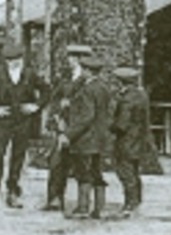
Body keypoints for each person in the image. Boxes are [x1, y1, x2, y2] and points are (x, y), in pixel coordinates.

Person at [0, 40, 43, 209]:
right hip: (2, 121)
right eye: (9, 60)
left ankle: (13, 193)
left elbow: (46, 90)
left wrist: (36, 106)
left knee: (18, 158)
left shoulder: (30, 74)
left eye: (16, 59)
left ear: (22, 59)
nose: (12, 63)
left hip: (23, 121)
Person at [42, 43, 92, 211]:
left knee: (81, 165)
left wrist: (69, 105)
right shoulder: (65, 78)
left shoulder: (88, 80)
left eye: (72, 58)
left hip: (81, 130)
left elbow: (89, 108)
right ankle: (55, 199)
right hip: (62, 127)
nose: (69, 60)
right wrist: (55, 115)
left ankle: (83, 204)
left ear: (79, 59)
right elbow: (54, 98)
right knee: (56, 163)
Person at [65, 53, 114, 220]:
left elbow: (86, 117)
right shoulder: (104, 87)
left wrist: (69, 135)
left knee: (83, 173)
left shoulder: (87, 90)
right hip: (100, 138)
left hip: (86, 138)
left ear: (87, 71)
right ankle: (100, 208)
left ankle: (83, 207)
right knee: (96, 172)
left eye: (83, 69)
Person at [110, 64, 154, 217]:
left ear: (121, 82)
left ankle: (130, 203)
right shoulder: (141, 95)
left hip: (126, 141)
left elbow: (122, 124)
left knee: (125, 172)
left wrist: (110, 127)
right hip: (139, 140)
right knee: (134, 172)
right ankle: (136, 201)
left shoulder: (127, 99)